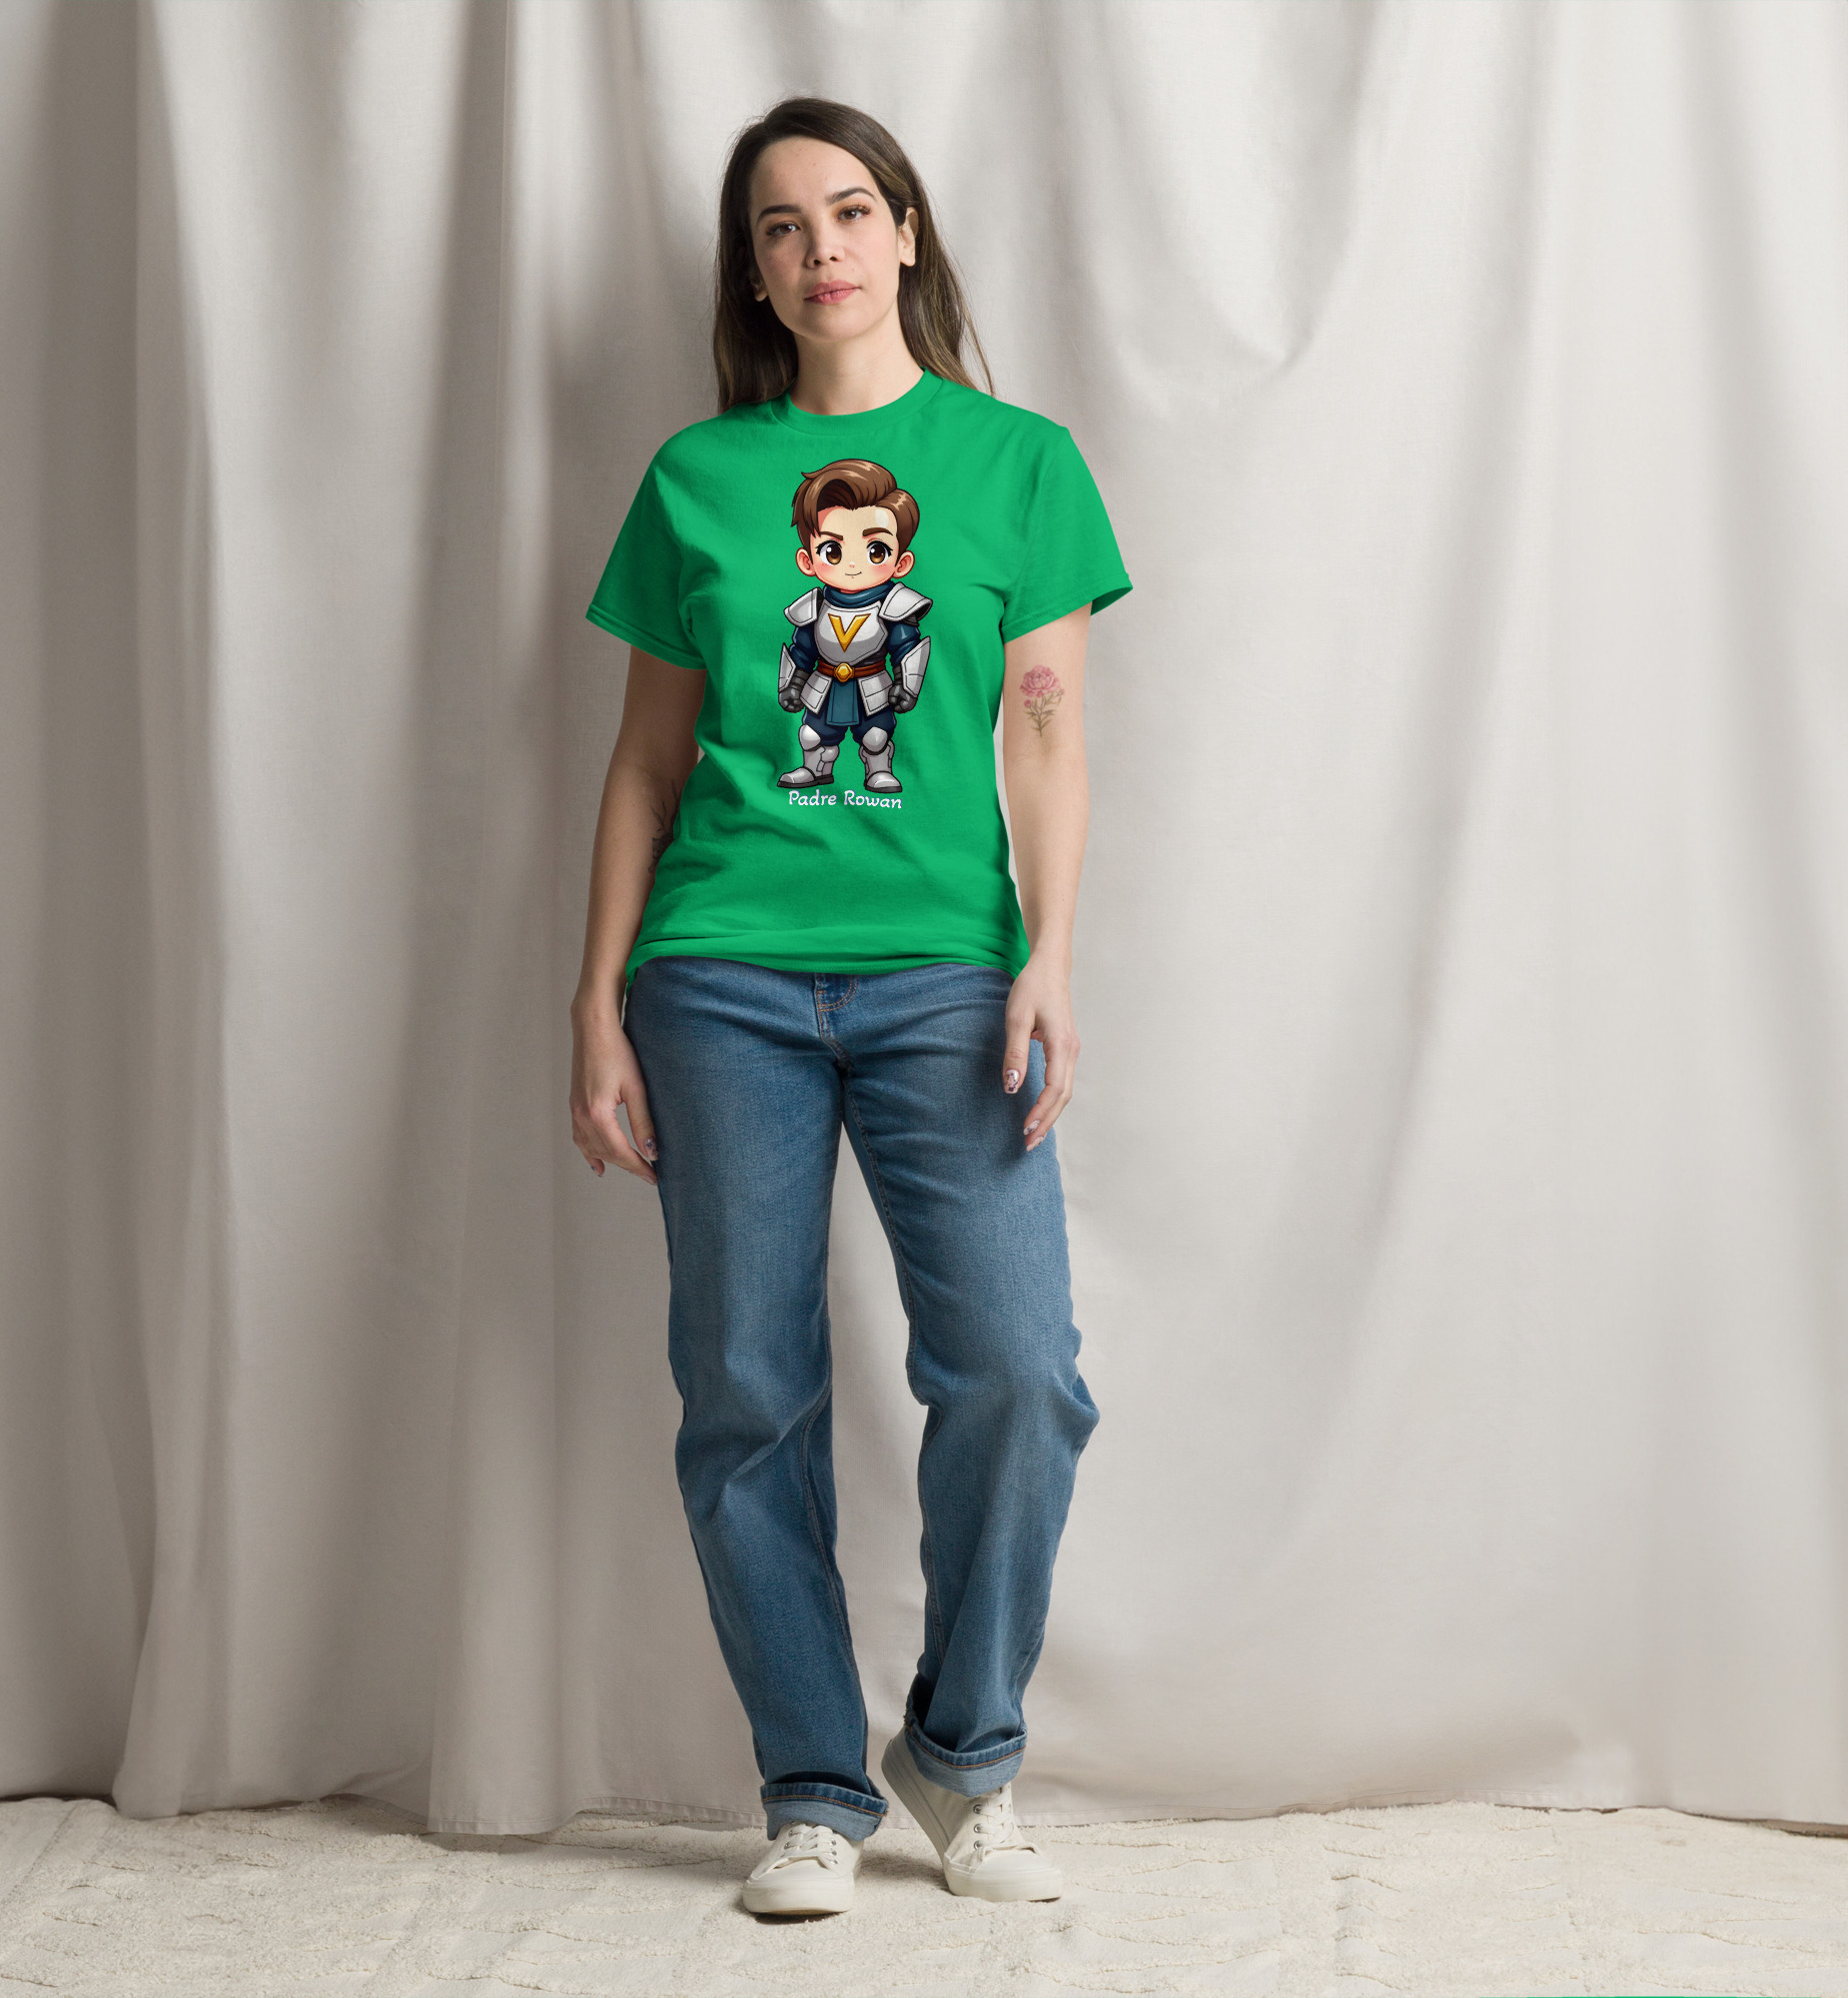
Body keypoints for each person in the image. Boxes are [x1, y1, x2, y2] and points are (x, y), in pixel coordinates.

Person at [569, 95, 1132, 1920]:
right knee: (745, 1387)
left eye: (851, 210)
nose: (821, 248)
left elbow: (1045, 734)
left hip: (947, 979)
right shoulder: (697, 479)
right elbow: (646, 766)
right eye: (780, 226)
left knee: (1020, 1377)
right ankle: (813, 1784)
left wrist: (1050, 951)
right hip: (716, 979)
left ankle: (961, 1754)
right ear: (755, 273)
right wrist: (596, 1001)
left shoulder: (1020, 464)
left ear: (906, 233)